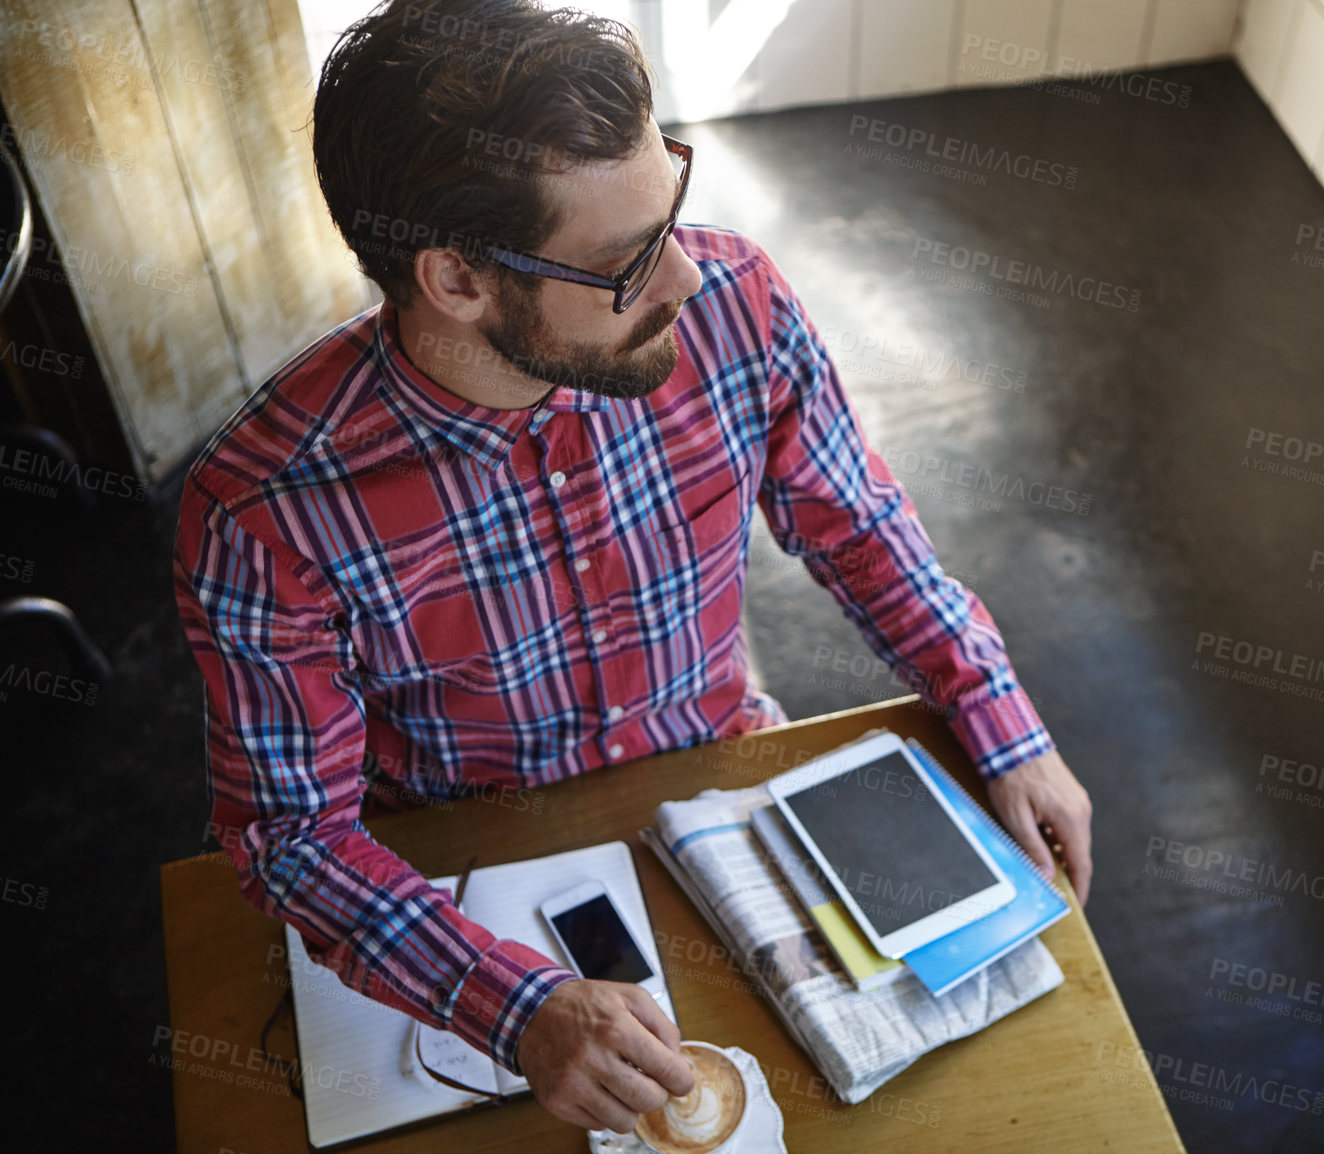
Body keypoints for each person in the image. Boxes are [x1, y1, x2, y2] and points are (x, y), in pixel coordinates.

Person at [172, 0, 1093, 1136]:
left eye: (674, 211)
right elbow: (292, 835)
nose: (686, 285)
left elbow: (857, 526)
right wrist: (513, 1006)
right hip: (469, 871)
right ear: (458, 279)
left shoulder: (740, 302)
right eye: (626, 261)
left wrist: (1004, 722)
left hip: (724, 788)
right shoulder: (264, 510)